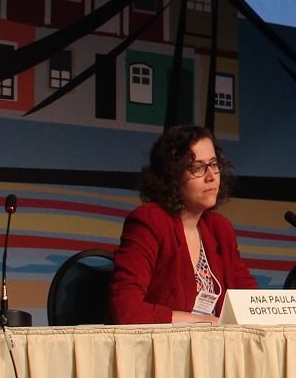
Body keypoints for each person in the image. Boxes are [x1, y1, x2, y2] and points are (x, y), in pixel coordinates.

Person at [109, 125, 258, 324]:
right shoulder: (150, 222)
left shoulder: (219, 229)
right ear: (172, 175)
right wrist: (196, 321)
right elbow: (126, 310)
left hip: (213, 342)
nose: (211, 176)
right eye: (197, 167)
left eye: (214, 164)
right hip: (163, 343)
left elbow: (250, 303)